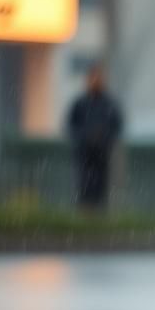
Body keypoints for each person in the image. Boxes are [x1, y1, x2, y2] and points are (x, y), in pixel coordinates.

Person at [66, 65, 123, 209]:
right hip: (85, 152)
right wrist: (86, 136)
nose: (96, 81)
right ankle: (85, 210)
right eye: (93, 78)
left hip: (102, 153)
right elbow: (72, 126)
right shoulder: (81, 104)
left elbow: (116, 126)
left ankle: (98, 211)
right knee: (85, 183)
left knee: (101, 185)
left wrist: (103, 137)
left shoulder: (109, 104)